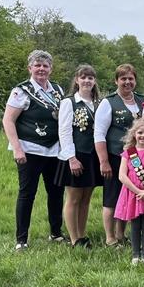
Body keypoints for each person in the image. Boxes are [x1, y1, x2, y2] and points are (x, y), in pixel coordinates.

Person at [2, 50, 66, 251]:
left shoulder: (58, 90)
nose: (41, 69)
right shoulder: (21, 91)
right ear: (30, 68)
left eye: (45, 66)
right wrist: (17, 149)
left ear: (50, 69)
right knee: (27, 193)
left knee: (56, 192)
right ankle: (21, 239)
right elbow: (8, 120)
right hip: (29, 149)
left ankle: (56, 233)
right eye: (37, 65)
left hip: (54, 150)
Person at [94, 64, 144, 247]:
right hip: (115, 157)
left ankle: (121, 234)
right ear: (116, 80)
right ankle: (110, 237)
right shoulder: (108, 102)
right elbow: (99, 134)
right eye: (123, 79)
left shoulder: (142, 101)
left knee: (128, 196)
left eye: (130, 78)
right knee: (111, 197)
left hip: (135, 158)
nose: (127, 82)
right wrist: (104, 161)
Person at [55, 64, 102, 248]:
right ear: (77, 80)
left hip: (92, 156)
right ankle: (74, 239)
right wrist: (71, 158)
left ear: (94, 81)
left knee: (86, 199)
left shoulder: (98, 103)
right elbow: (64, 132)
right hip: (75, 155)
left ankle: (82, 235)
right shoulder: (69, 102)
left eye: (90, 78)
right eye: (83, 77)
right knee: (74, 198)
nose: (87, 81)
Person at [114, 118, 144, 266]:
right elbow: (122, 175)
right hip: (133, 194)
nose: (143, 136)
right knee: (135, 225)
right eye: (140, 132)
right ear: (134, 134)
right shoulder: (128, 153)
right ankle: (135, 254)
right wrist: (138, 191)